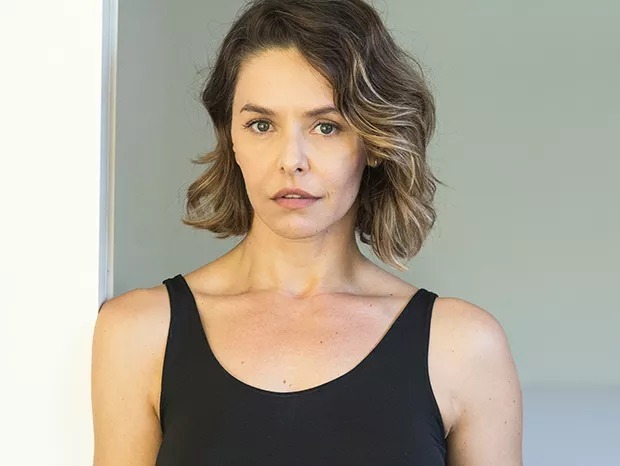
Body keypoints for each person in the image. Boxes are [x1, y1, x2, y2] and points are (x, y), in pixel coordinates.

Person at [91, 0, 523, 464]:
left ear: (374, 141)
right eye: (261, 125)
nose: (291, 160)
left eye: (326, 126)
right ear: (230, 138)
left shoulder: (463, 346)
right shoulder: (139, 332)